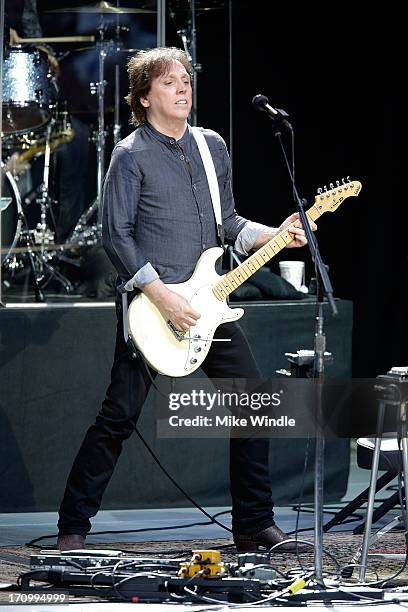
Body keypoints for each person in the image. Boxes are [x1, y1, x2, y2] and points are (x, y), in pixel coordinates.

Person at [57, 47, 316, 552]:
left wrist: (276, 234)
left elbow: (232, 225)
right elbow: (117, 236)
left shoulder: (211, 145)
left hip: (209, 306)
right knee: (119, 415)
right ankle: (73, 528)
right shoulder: (130, 155)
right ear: (144, 96)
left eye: (187, 80)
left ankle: (254, 525)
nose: (183, 88)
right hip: (153, 309)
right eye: (170, 81)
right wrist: (161, 295)